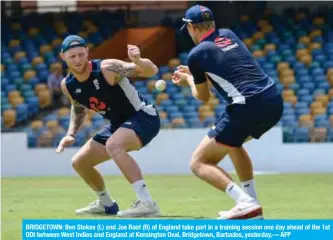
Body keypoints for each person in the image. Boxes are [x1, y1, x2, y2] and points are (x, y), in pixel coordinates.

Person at [173, 5, 283, 220]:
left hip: (248, 106)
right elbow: (230, 71)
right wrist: (199, 75)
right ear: (212, 23)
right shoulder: (228, 35)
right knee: (233, 144)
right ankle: (252, 202)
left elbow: (203, 97)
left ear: (192, 28)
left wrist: (189, 80)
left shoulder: (196, 54)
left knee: (199, 162)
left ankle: (244, 202)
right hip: (272, 100)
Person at [56, 35, 161, 218]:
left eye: (81, 54)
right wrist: (70, 133)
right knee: (79, 162)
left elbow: (151, 71)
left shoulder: (107, 68)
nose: (78, 59)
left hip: (143, 116)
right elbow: (78, 108)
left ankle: (147, 202)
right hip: (117, 126)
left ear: (87, 52)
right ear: (63, 57)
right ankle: (106, 204)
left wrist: (138, 60)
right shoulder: (68, 85)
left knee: (114, 144)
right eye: (72, 56)